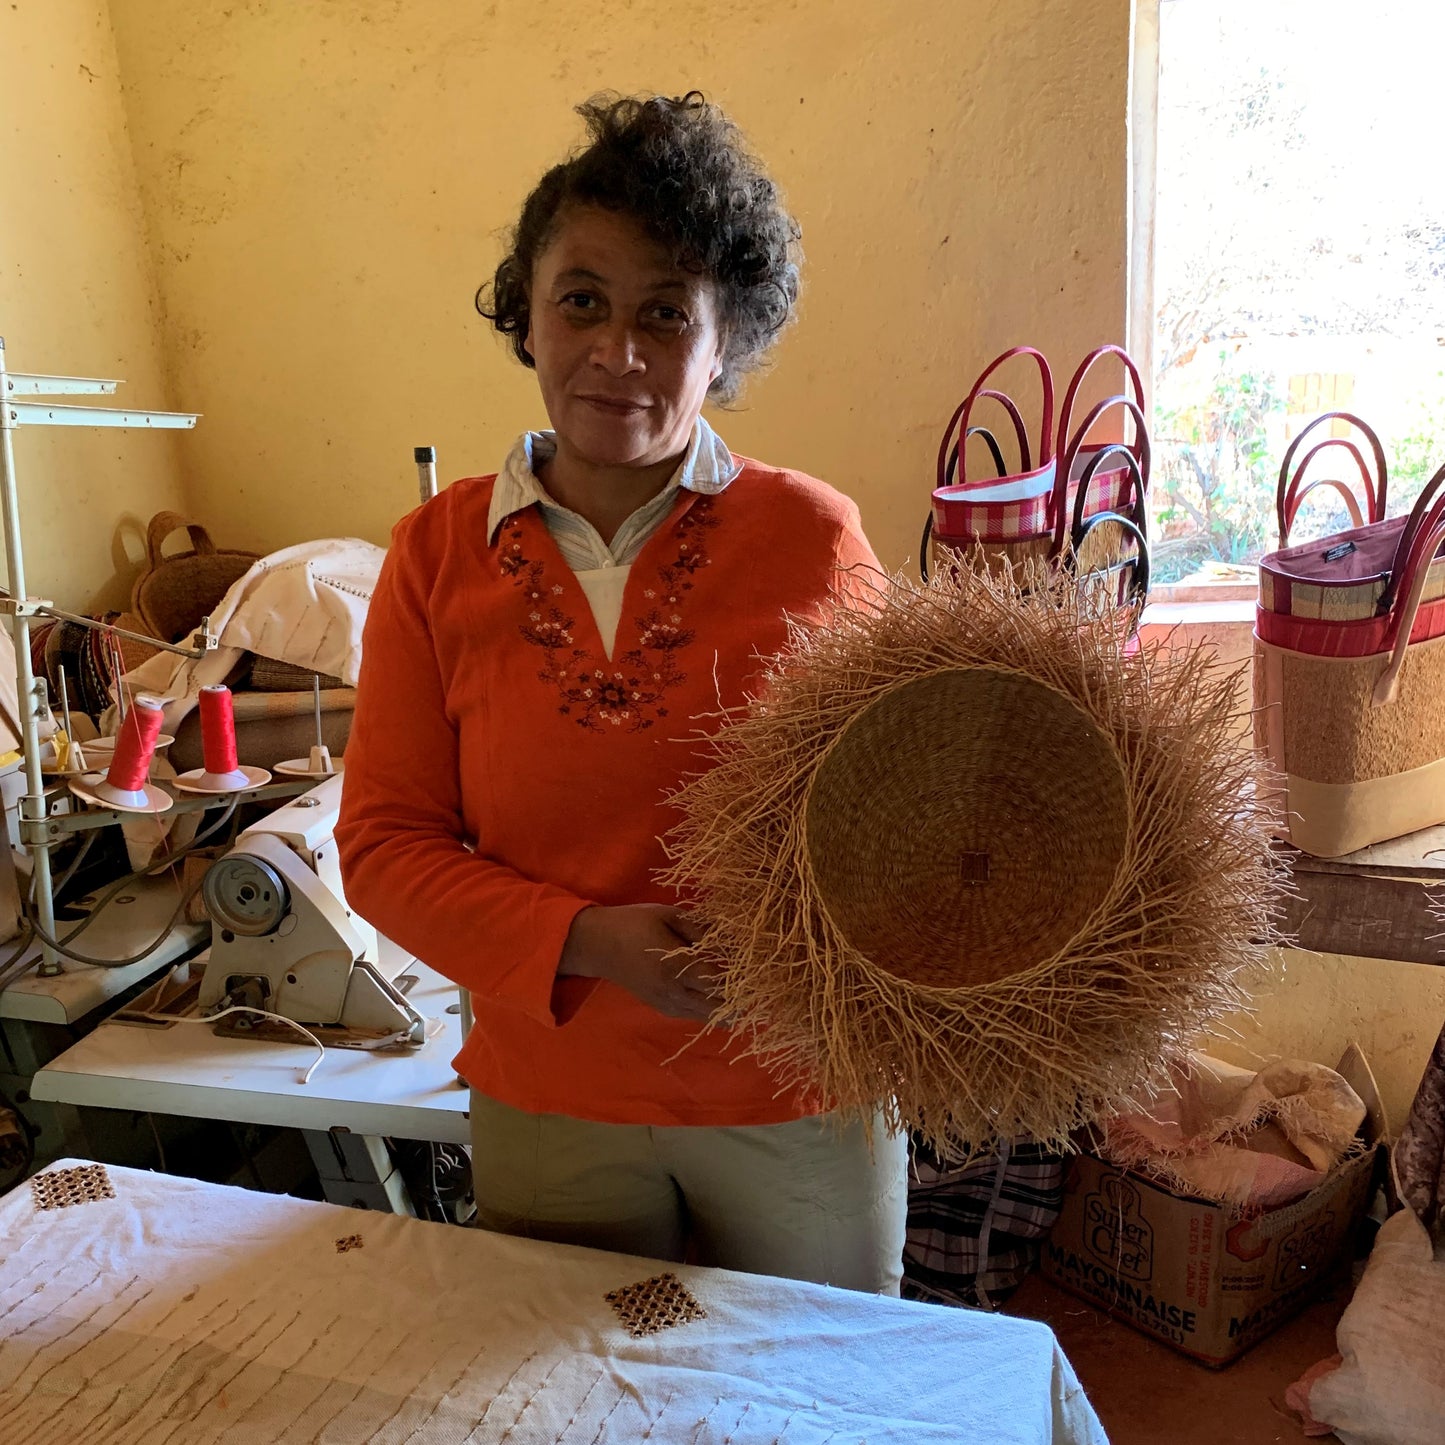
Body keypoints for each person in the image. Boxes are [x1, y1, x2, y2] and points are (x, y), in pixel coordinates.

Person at [336, 92, 906, 1293]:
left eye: (665, 314)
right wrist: (591, 940)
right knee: (575, 1397)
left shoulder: (811, 538)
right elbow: (383, 847)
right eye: (580, 301)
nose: (618, 352)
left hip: (794, 1092)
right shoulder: (433, 557)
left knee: (816, 1393)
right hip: (551, 1097)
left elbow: (895, 815)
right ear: (526, 318)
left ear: (725, 341)